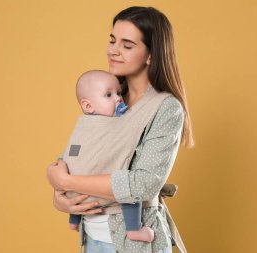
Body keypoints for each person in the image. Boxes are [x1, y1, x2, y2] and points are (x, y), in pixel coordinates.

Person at [47, 6, 194, 253]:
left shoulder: (165, 108)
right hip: (92, 237)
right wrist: (61, 195)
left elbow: (143, 184)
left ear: (151, 55)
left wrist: (68, 180)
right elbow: (84, 155)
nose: (113, 50)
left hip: (133, 245)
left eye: (127, 45)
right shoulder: (109, 98)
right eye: (113, 40)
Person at [66, 69, 155, 242]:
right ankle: (134, 229)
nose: (118, 99)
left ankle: (73, 221)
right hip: (101, 192)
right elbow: (130, 139)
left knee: (75, 168)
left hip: (75, 194)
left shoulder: (83, 125)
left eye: (119, 93)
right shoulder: (115, 125)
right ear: (88, 106)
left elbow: (72, 153)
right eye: (108, 95)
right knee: (128, 188)